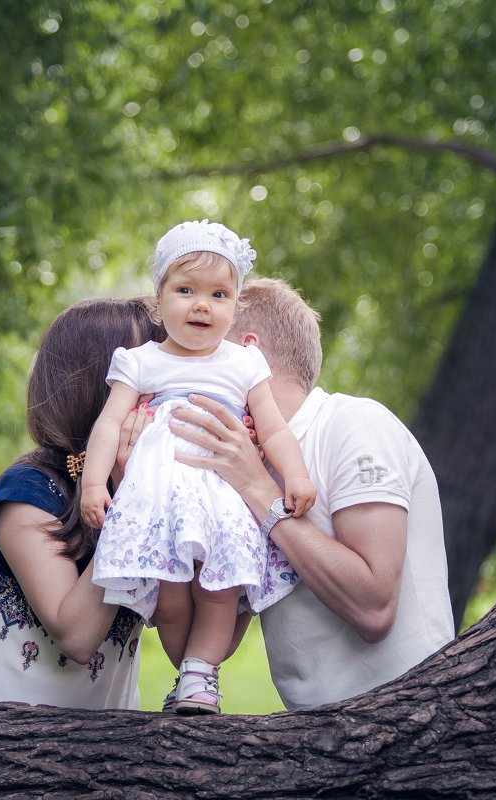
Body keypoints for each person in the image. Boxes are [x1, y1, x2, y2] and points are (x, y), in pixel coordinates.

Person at [169, 277, 455, 709]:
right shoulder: (245, 464)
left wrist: (258, 490)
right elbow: (216, 644)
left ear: (249, 355)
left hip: (412, 720)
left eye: (201, 357)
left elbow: (374, 609)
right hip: (313, 737)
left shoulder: (354, 424)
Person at [79, 221, 316, 715]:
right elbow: (107, 427)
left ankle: (201, 674)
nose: (202, 305)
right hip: (160, 498)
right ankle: (187, 672)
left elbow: (272, 430)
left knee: (219, 589)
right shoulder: (140, 362)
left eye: (219, 294)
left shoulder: (245, 365)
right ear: (160, 298)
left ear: (234, 305)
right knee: (169, 596)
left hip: (222, 493)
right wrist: (95, 482)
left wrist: (294, 475)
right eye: (185, 290)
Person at [0, 297, 164, 710]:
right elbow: (77, 636)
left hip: (115, 752)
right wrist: (129, 496)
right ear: (98, 383)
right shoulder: (27, 491)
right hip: (6, 750)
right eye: (150, 370)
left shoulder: (141, 482)